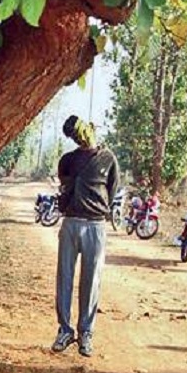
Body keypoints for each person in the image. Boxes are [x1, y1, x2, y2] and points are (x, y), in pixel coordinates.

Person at [51, 115, 119, 357]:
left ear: (91, 130)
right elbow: (64, 185)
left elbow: (112, 190)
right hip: (70, 223)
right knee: (65, 279)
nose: (81, 137)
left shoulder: (108, 158)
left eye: (83, 132)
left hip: (95, 226)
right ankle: (65, 331)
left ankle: (86, 334)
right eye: (76, 135)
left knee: (91, 282)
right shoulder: (68, 160)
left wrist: (96, 209)